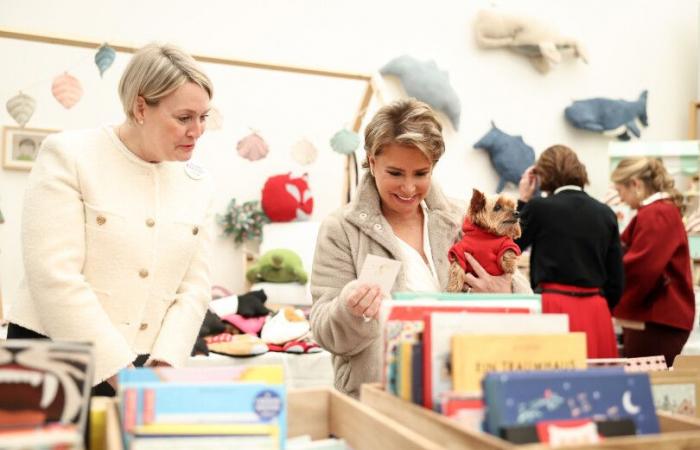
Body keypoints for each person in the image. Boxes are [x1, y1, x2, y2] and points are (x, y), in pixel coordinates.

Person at [6, 43, 214, 396]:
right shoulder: (70, 155)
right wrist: (120, 373)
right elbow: (54, 275)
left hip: (148, 366)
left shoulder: (197, 182)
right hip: (52, 358)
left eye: (204, 116)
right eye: (184, 118)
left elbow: (195, 287)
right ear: (140, 107)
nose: (197, 130)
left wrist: (165, 363)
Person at [310, 98, 531, 398]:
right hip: (379, 399)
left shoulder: (462, 220)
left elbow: (524, 302)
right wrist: (350, 308)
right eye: (396, 173)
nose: (409, 188)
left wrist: (506, 292)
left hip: (462, 392)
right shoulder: (341, 229)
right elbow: (324, 329)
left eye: (421, 173)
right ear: (372, 161)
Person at [517, 145, 623, 358]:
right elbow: (617, 282)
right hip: (596, 310)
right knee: (598, 384)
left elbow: (511, 246)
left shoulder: (540, 208)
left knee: (553, 383)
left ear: (543, 175)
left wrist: (523, 200)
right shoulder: (606, 214)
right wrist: (599, 307)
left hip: (554, 305)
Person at [611, 156, 694, 366]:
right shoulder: (660, 211)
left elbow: (642, 268)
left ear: (636, 185)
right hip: (658, 317)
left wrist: (611, 296)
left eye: (621, 191)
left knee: (647, 386)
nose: (621, 199)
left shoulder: (657, 213)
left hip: (656, 317)